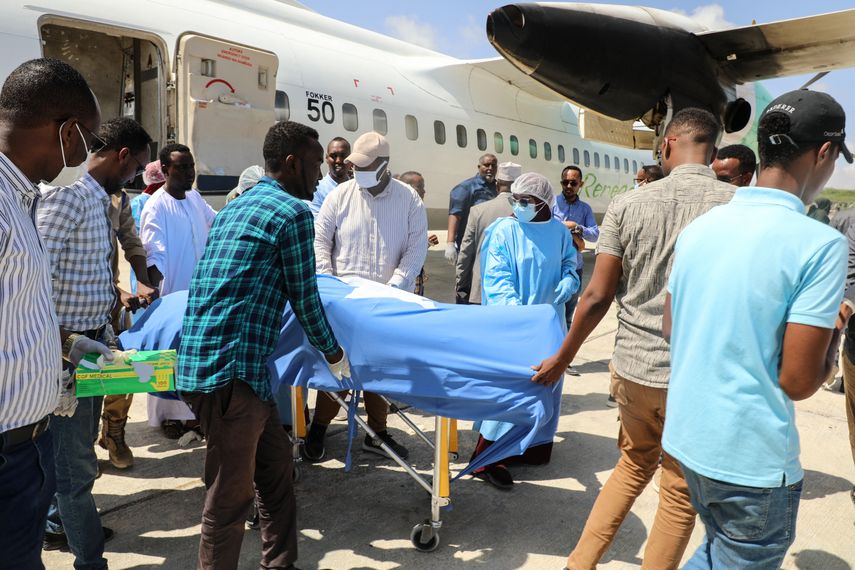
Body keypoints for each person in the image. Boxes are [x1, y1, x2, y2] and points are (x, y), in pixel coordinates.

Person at [531, 108, 735, 570]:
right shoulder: (736, 206)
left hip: (634, 370)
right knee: (679, 492)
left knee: (630, 466)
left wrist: (562, 359)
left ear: (665, 145)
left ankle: (579, 564)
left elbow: (597, 296)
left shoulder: (628, 204)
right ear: (714, 152)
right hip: (694, 378)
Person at [663, 89, 851, 569]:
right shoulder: (820, 245)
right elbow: (798, 381)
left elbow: (671, 326)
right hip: (751, 463)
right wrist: (831, 335)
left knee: (712, 551)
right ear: (824, 152)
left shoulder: (701, 228)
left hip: (689, 441)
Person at [177, 120, 350, 570]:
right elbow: (306, 298)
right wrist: (337, 358)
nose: (319, 176)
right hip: (232, 377)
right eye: (315, 165)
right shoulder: (292, 213)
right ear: (292, 163)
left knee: (275, 479)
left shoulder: (236, 206)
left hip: (223, 370)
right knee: (228, 504)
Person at [0, 57, 104, 570]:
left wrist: (62, 344)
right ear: (67, 133)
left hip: (24, 450)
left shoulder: (19, 200)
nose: (88, 153)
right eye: (89, 138)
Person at [38, 116, 153, 563]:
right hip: (63, 353)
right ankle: (89, 558)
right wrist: (66, 341)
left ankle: (62, 524)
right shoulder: (69, 196)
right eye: (136, 167)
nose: (136, 176)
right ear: (122, 155)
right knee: (75, 473)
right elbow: (30, 280)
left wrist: (110, 316)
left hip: (87, 346)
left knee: (74, 458)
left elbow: (89, 273)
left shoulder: (101, 198)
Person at [310, 132, 428, 461]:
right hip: (342, 304)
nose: (355, 171)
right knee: (336, 369)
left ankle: (376, 434)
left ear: (384, 165)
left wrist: (394, 288)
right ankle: (318, 427)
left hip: (384, 302)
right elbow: (321, 241)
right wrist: (329, 283)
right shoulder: (339, 196)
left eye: (363, 166)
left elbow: (416, 250)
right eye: (354, 165)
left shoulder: (408, 200)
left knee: (378, 369)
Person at [471, 172, 578, 490]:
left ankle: (531, 446)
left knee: (546, 387)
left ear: (543, 203)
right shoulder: (503, 231)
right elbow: (497, 279)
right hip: (514, 327)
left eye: (525, 201)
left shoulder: (559, 232)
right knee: (511, 391)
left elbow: (570, 264)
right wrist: (522, 320)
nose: (517, 206)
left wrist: (570, 280)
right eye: (514, 199)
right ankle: (488, 458)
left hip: (549, 326)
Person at [140, 143, 216, 438]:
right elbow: (153, 251)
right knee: (169, 356)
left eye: (191, 166)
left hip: (200, 293)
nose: (189, 173)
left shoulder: (195, 198)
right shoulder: (156, 204)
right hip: (173, 295)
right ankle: (167, 417)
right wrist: (157, 295)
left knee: (193, 354)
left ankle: (192, 414)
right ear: (166, 170)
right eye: (181, 167)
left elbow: (216, 221)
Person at [455, 161, 520, 305]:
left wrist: (461, 283)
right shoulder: (529, 213)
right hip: (516, 294)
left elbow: (466, 252)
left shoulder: (478, 211)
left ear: (497, 185)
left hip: (481, 291)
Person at [446, 154, 498, 304]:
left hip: (490, 248)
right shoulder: (466, 188)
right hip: (470, 249)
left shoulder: (497, 188)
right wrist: (450, 243)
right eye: (486, 165)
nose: (490, 169)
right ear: (479, 167)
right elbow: (455, 215)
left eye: (493, 165)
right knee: (466, 287)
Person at [552, 166, 599, 332]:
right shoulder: (552, 204)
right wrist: (564, 227)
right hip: (553, 267)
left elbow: (594, 235)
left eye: (573, 183)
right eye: (565, 182)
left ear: (581, 184)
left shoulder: (585, 209)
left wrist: (577, 228)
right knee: (550, 314)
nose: (569, 186)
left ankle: (562, 353)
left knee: (567, 316)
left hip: (574, 268)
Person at [399, 170, 439, 296]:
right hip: (405, 279)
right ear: (409, 189)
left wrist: (426, 242)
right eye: (420, 187)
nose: (424, 191)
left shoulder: (415, 210)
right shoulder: (399, 213)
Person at [310, 136, 352, 214]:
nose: (338, 161)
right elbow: (318, 223)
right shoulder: (316, 190)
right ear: (326, 158)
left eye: (343, 156)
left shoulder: (358, 188)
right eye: (333, 156)